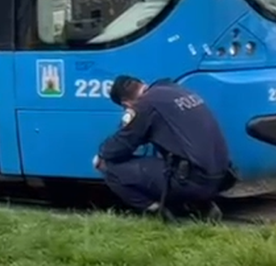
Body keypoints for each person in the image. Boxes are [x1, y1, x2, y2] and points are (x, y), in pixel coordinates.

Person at [93, 75, 233, 221]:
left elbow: (118, 147)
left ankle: (158, 214)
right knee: (168, 164)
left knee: (109, 167)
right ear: (143, 83)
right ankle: (202, 206)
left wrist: (101, 153)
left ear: (127, 104)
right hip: (221, 176)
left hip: (194, 180)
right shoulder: (175, 90)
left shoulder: (145, 105)